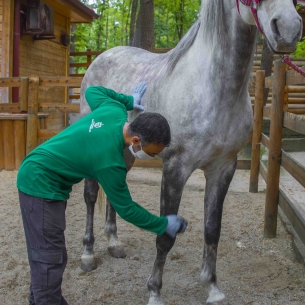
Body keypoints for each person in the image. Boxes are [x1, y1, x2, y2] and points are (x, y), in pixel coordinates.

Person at [17, 83, 188, 305]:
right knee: (49, 258)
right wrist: (161, 224)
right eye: (151, 153)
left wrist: (128, 99)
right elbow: (127, 209)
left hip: (47, 178)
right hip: (40, 183)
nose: (151, 156)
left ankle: (40, 298)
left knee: (50, 254)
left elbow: (93, 91)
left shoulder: (114, 110)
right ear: (136, 140)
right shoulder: (111, 164)